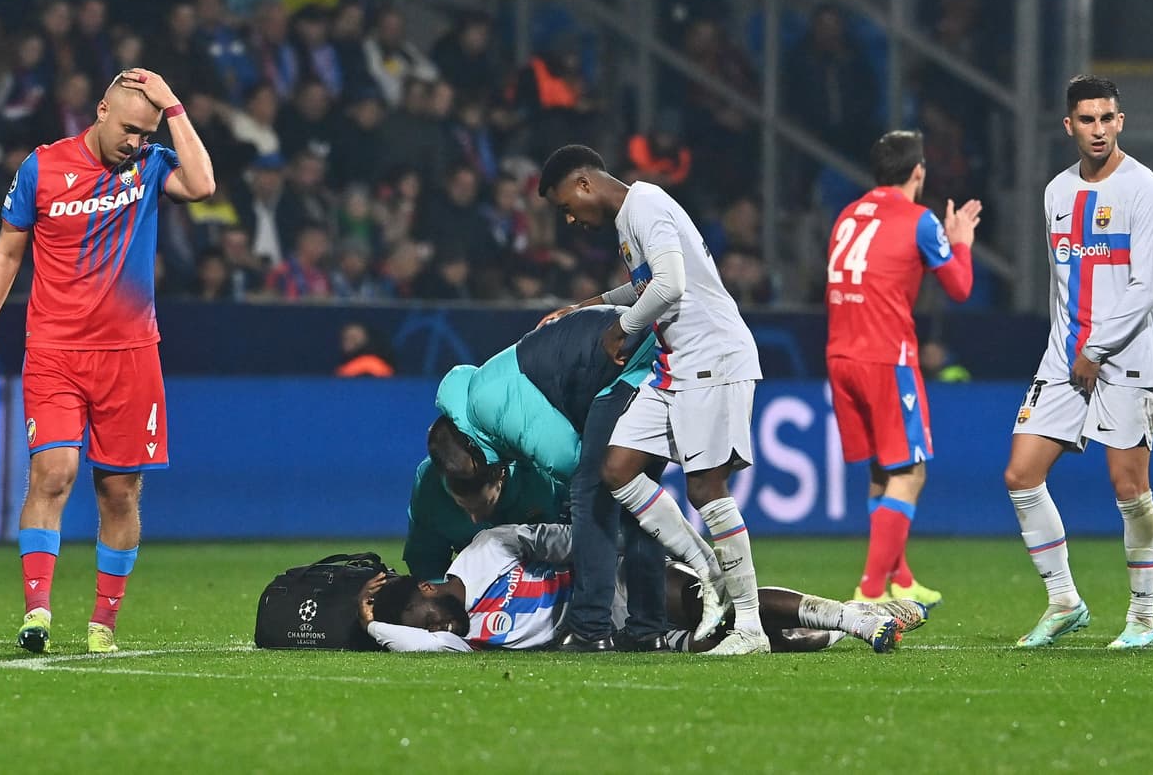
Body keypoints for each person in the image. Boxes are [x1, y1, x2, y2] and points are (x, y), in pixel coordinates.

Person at [0, 69, 215, 655]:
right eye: (128, 128)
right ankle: (37, 614)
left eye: (144, 132)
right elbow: (5, 252)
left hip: (131, 354)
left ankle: (103, 624)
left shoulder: (150, 165)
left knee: (119, 493)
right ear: (100, 110)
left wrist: (173, 105)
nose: (134, 141)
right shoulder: (43, 167)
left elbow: (202, 185)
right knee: (53, 474)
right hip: (54, 351)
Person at [538, 144, 764, 655]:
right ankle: (710, 572)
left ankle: (749, 627)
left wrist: (621, 329)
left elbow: (671, 286)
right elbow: (646, 286)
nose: (570, 220)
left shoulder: (647, 206)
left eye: (566, 207)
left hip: (712, 358)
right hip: (677, 366)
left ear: (583, 184)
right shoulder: (630, 220)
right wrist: (589, 306)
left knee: (706, 486)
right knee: (616, 468)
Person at [1003, 75, 1153, 650]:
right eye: (1087, 119)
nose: (1098, 129)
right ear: (1069, 125)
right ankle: (1064, 601)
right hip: (1064, 358)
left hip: (1122, 360)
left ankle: (1142, 619)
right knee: (1021, 475)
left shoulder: (1146, 190)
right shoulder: (1055, 192)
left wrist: (1097, 349)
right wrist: (1070, 348)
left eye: (1107, 118)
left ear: (1120, 121)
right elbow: (1062, 284)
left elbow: (1146, 289)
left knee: (1129, 488)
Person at [406, 306, 670, 652]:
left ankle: (601, 626)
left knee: (599, 503)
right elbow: (425, 566)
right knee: (626, 513)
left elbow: (578, 483)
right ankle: (645, 626)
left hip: (631, 364)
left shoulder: (517, 442)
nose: (474, 520)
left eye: (481, 505)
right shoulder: (437, 479)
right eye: (462, 508)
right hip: (633, 358)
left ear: (501, 476)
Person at [824, 131, 982, 609]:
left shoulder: (847, 216)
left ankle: (902, 578)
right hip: (884, 357)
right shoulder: (920, 221)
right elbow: (959, 287)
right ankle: (870, 593)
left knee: (882, 469)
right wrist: (961, 242)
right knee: (910, 471)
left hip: (840, 356)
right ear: (918, 173)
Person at [358, 523, 927, 654]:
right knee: (714, 648)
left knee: (714, 610)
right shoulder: (461, 640)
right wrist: (371, 624)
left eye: (427, 617)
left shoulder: (487, 551)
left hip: (614, 586)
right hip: (606, 639)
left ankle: (855, 618)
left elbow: (558, 539)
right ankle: (815, 632)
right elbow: (425, 646)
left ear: (429, 589)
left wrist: (611, 557)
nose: (440, 630)